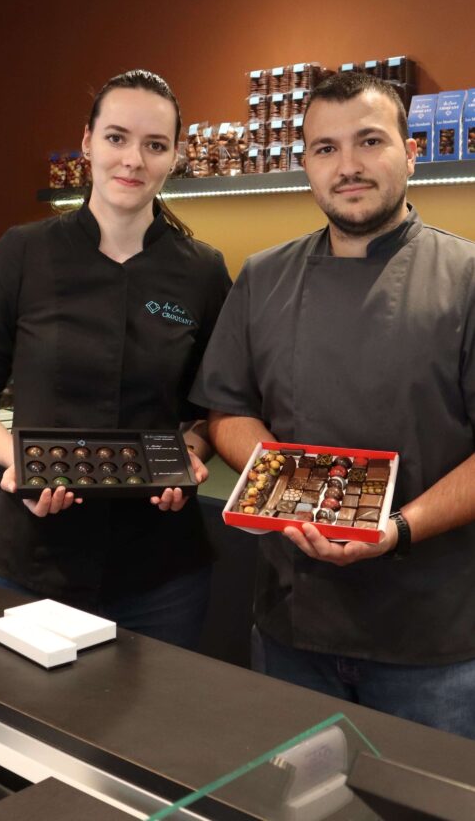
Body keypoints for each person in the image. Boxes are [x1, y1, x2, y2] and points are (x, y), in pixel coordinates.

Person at [190, 72, 475, 737]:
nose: (347, 166)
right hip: (294, 628)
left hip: (432, 646)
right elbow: (226, 410)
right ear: (306, 164)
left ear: (411, 152)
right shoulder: (264, 275)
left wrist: (396, 527)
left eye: (369, 141)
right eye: (324, 148)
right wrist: (294, 489)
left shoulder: (465, 280)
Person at [0, 68, 231, 650]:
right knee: (28, 734)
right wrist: (26, 459)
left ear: (176, 157)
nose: (133, 159)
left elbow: (213, 406)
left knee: (154, 738)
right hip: (32, 555)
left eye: (154, 144)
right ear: (88, 142)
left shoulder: (203, 270)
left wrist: (189, 456)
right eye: (117, 137)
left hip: (162, 570)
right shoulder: (22, 253)